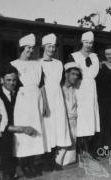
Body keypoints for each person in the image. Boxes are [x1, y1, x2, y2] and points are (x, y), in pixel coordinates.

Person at [10, 33, 47, 177]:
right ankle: (24, 165)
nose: (31, 51)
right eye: (28, 48)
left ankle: (33, 163)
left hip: (36, 100)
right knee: (25, 133)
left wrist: (45, 104)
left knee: (36, 130)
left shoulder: (37, 64)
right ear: (22, 48)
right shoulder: (14, 64)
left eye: (32, 48)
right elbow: (11, 86)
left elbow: (42, 86)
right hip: (22, 101)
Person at [40, 33, 72, 170]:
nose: (52, 49)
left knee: (58, 127)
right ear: (43, 47)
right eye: (49, 46)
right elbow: (41, 85)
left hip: (58, 98)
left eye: (53, 46)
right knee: (47, 128)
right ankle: (46, 161)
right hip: (45, 98)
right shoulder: (38, 63)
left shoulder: (59, 63)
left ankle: (55, 160)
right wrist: (45, 104)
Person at [67, 31, 100, 155]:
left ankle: (90, 151)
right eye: (86, 42)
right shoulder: (73, 56)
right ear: (82, 41)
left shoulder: (95, 57)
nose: (88, 45)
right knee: (82, 120)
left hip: (92, 90)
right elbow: (69, 76)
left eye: (91, 42)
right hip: (79, 90)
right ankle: (83, 151)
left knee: (92, 119)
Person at [56, 62, 82, 166]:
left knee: (70, 155)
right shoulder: (59, 89)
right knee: (62, 147)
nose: (75, 77)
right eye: (73, 74)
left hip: (73, 122)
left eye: (77, 75)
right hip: (62, 122)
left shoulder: (75, 89)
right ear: (66, 74)